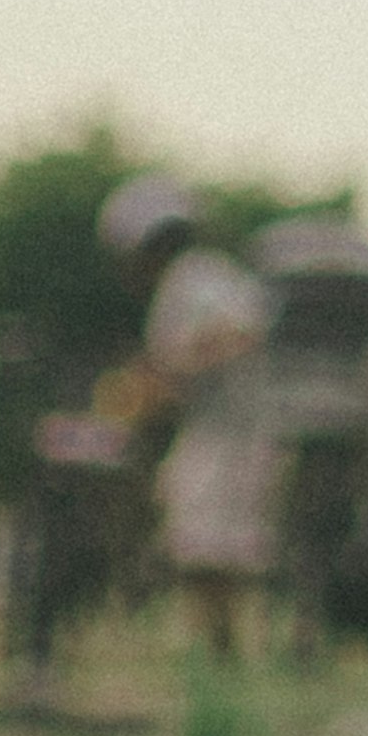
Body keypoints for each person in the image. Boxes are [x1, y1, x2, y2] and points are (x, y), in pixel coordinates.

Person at [104, 171, 285, 661]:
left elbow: (243, 330)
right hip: (216, 431)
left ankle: (221, 660)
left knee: (211, 553)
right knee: (204, 553)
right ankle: (216, 658)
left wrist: (172, 368)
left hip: (231, 434)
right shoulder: (193, 280)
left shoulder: (195, 276)